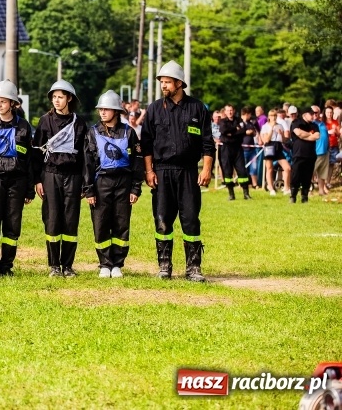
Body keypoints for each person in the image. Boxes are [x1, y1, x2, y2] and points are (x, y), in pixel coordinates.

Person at [140, 61, 214, 282]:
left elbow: (208, 143)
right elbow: (146, 144)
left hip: (189, 172)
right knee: (162, 218)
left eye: (167, 82)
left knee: (191, 218)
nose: (163, 86)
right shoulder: (153, 109)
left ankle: (193, 268)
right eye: (162, 82)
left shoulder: (197, 108)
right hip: (162, 172)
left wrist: (207, 169)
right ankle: (164, 266)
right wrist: (149, 171)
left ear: (179, 83)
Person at [85, 90, 144, 278]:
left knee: (121, 222)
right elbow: (87, 164)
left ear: (116, 111)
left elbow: (137, 161)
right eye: (100, 109)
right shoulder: (92, 132)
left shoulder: (129, 132)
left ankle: (117, 263)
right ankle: (104, 263)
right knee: (100, 222)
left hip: (123, 183)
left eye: (107, 109)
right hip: (101, 182)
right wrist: (89, 190)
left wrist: (135, 188)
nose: (102, 112)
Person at [0, 80, 34, 277]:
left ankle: (7, 265)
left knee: (12, 226)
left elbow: (29, 160)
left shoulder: (23, 126)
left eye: (3, 101)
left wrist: (29, 188)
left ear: (13, 104)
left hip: (17, 182)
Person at [31, 80, 87, 278]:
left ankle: (68, 265)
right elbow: (36, 152)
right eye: (54, 97)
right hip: (51, 175)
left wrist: (84, 183)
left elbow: (84, 156)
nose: (56, 100)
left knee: (71, 221)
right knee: (52, 219)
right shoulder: (45, 121)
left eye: (60, 97)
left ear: (69, 99)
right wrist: (38, 180)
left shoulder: (79, 123)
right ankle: (54, 266)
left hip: (73, 176)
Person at [218, 104, 251, 200]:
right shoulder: (223, 121)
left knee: (242, 171)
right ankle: (231, 194)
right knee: (228, 172)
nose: (230, 112)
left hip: (237, 148)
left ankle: (246, 194)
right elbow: (223, 131)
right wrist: (235, 130)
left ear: (234, 110)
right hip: (226, 149)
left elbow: (243, 131)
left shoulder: (238, 120)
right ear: (225, 112)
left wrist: (231, 133)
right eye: (228, 110)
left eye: (231, 110)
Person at [290, 107, 319, 203]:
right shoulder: (296, 122)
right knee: (296, 175)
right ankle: (293, 196)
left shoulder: (314, 125)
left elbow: (317, 136)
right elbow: (298, 133)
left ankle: (304, 196)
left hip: (310, 154)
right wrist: (310, 135)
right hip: (299, 154)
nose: (313, 116)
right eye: (311, 114)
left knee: (307, 176)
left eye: (314, 114)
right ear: (304, 114)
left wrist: (305, 135)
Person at [260, 109, 291, 196]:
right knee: (269, 168)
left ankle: (286, 187)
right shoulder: (265, 126)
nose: (273, 118)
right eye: (271, 116)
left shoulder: (280, 126)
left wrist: (281, 134)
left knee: (287, 168)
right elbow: (266, 140)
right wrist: (272, 129)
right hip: (269, 146)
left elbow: (284, 140)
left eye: (275, 116)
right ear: (269, 117)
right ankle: (271, 188)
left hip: (278, 147)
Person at [240, 107, 261, 189]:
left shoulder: (252, 123)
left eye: (248, 114)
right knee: (242, 167)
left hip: (252, 149)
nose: (247, 116)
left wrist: (254, 132)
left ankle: (254, 184)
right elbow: (238, 132)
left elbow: (256, 132)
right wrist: (246, 132)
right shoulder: (240, 124)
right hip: (242, 149)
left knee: (254, 167)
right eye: (245, 115)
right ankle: (242, 184)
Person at [312, 106, 330, 196]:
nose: (315, 114)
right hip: (314, 152)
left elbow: (327, 136)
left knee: (322, 173)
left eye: (316, 112)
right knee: (310, 172)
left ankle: (321, 191)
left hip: (325, 152)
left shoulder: (323, 124)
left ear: (319, 113)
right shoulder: (309, 124)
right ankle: (308, 191)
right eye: (313, 112)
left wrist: (328, 148)